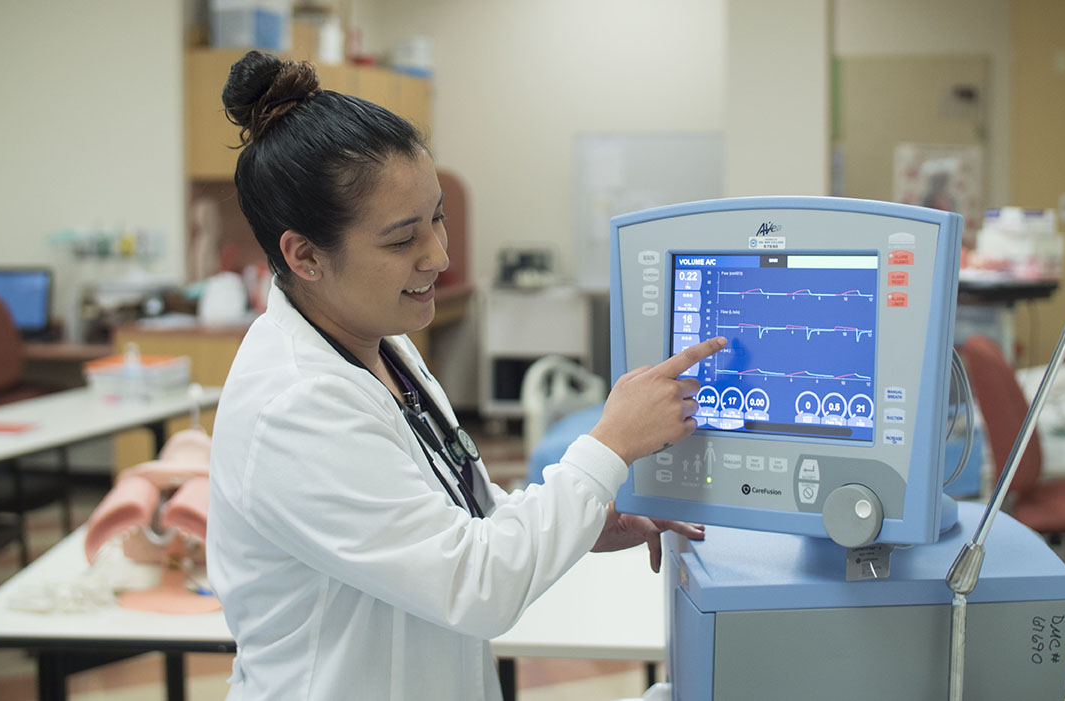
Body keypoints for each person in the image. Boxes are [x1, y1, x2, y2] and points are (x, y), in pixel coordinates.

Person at [206, 50, 726, 700]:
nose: (439, 255)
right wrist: (610, 445)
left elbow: (458, 510)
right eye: (402, 240)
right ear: (306, 255)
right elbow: (474, 584)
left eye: (438, 217)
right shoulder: (292, 401)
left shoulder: (381, 343)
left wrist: (593, 515)